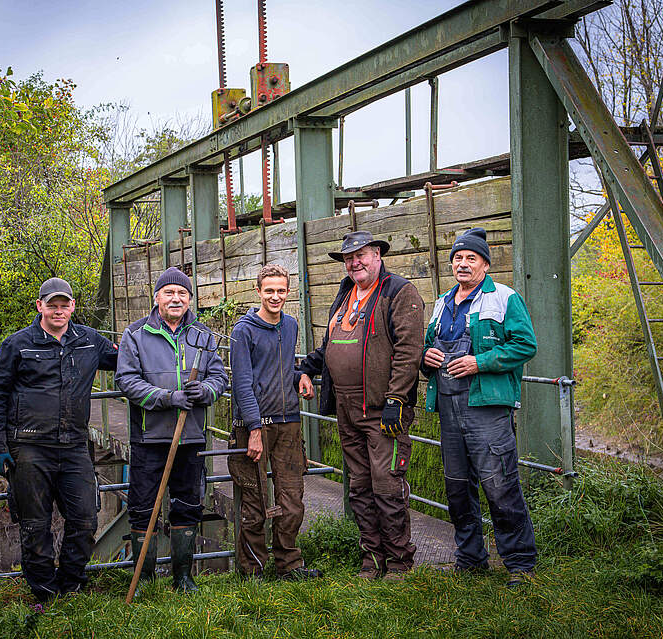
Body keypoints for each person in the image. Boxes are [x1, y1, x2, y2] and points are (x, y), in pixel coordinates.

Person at [0, 277, 119, 603]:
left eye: (64, 305)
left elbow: (126, 358)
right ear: (40, 306)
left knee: (85, 519)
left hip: (74, 445)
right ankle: (44, 594)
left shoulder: (89, 341)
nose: (58, 311)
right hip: (29, 448)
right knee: (35, 525)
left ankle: (71, 586)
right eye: (52, 305)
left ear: (72, 306)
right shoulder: (18, 345)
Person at [299, 231, 425, 581]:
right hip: (347, 408)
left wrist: (396, 399)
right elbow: (330, 344)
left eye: (361, 255)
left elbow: (409, 350)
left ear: (378, 255)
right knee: (360, 486)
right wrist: (307, 368)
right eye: (348, 258)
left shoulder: (399, 292)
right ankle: (372, 559)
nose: (355, 263)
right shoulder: (345, 294)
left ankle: (399, 562)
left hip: (383, 409)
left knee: (387, 484)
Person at [421, 227, 538, 587]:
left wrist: (480, 362)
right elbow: (427, 347)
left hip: (486, 407)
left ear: (485, 264)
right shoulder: (442, 303)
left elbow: (525, 345)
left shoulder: (504, 298)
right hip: (448, 406)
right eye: (457, 257)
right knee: (457, 488)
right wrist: (426, 357)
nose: (463, 263)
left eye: (471, 258)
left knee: (500, 485)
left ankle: (520, 564)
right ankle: (470, 559)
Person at [115, 266, 228, 593]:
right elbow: (127, 380)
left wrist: (204, 391)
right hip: (149, 438)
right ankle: (144, 578)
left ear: (190, 299)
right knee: (142, 508)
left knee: (188, 505)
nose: (176, 298)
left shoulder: (203, 336)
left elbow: (219, 378)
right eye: (169, 292)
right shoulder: (135, 334)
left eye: (182, 293)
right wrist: (166, 398)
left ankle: (183, 578)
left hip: (190, 437)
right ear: (157, 297)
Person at [227, 264, 322, 581]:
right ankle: (251, 571)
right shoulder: (243, 331)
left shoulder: (290, 325)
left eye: (281, 290)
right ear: (258, 291)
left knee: (292, 500)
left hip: (288, 423)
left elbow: (280, 368)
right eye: (269, 290)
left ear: (288, 292)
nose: (275, 296)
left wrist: (300, 376)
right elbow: (242, 383)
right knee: (255, 501)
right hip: (253, 425)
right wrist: (253, 428)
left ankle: (289, 565)